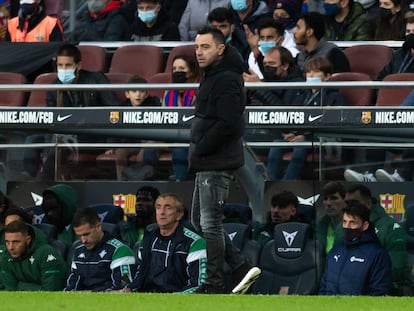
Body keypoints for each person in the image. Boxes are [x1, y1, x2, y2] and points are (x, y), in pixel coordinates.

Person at [190, 26, 260, 294]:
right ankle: (240, 266)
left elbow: (230, 123)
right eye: (197, 47)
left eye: (205, 47)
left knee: (209, 223)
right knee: (199, 220)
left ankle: (214, 283)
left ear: (221, 49)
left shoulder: (228, 78)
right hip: (207, 159)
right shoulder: (213, 75)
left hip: (216, 159)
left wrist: (204, 147)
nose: (198, 52)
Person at [22, 43, 120, 180]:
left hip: (92, 133)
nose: (63, 70)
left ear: (78, 66)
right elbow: (51, 117)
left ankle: (43, 181)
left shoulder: (96, 80)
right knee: (32, 139)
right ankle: (25, 177)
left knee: (61, 139)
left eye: (68, 65)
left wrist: (112, 143)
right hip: (64, 132)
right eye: (60, 66)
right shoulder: (54, 87)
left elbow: (114, 111)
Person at [265, 57, 346, 180]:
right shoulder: (301, 95)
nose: (311, 75)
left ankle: (287, 183)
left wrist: (305, 136)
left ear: (327, 76)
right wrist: (289, 132)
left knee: (301, 146)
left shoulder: (334, 97)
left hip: (319, 139)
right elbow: (291, 117)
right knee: (276, 144)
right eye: (308, 72)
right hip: (297, 137)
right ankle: (269, 181)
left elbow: (335, 123)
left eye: (316, 71)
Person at [122, 193, 207, 293]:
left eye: (168, 208)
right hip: (149, 298)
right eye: (158, 207)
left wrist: (172, 299)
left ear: (179, 214)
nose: (162, 212)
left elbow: (198, 285)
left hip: (179, 300)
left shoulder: (194, 243)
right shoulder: (148, 238)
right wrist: (129, 289)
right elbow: (141, 274)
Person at [345, 184, 408, 294]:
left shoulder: (391, 229)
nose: (350, 207)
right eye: (347, 203)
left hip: (378, 294)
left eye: (354, 203)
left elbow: (397, 270)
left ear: (368, 203)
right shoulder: (341, 228)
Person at [319, 201, 392, 295]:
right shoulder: (335, 251)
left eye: (352, 222)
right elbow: (324, 287)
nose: (347, 226)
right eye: (344, 222)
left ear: (365, 225)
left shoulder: (377, 254)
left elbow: (380, 293)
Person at [104, 75, 161, 181]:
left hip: (146, 142)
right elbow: (113, 128)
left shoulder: (154, 104)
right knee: (120, 153)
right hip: (129, 142)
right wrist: (111, 145)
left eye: (142, 91)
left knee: (142, 156)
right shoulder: (121, 108)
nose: (138, 95)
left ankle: (140, 182)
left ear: (147, 94)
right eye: (134, 91)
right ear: (127, 94)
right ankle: (121, 183)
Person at [65, 207, 136, 291]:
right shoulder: (78, 251)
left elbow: (122, 288)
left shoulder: (121, 250)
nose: (83, 240)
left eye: (86, 234)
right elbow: (72, 287)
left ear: (98, 227)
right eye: (79, 236)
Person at [0, 220, 66, 291]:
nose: (10, 247)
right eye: (7, 242)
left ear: (28, 240)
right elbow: (10, 291)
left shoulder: (47, 254)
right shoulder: (5, 256)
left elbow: (51, 292)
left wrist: (21, 286)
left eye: (16, 242)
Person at [163, 54, 200, 181]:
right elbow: (163, 115)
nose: (177, 72)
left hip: (191, 134)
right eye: (174, 69)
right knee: (150, 147)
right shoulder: (168, 91)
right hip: (169, 133)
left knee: (180, 147)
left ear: (191, 71)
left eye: (182, 69)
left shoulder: (198, 91)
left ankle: (181, 183)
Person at [243, 16, 299, 82]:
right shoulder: (254, 54)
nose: (265, 41)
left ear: (280, 40)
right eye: (262, 38)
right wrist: (254, 48)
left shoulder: (293, 54)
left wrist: (259, 84)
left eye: (269, 37)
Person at [316, 181, 347, 254]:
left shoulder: (354, 229)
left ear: (345, 201)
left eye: (334, 198)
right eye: (325, 199)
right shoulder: (320, 227)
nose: (328, 203)